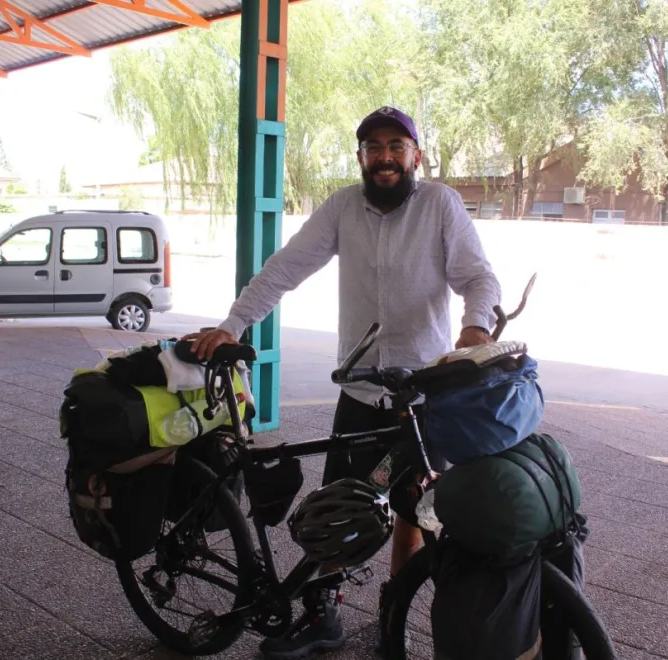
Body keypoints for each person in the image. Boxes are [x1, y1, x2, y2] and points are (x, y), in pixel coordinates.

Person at [183, 105, 502, 659]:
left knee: (415, 511)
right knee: (340, 508)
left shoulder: (440, 204)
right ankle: (322, 614)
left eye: (395, 148)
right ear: (360, 157)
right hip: (360, 389)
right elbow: (285, 268)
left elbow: (477, 276)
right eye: (373, 148)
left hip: (421, 392)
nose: (385, 158)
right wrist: (232, 323)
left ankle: (393, 614)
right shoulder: (342, 207)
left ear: (415, 156)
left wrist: (475, 328)